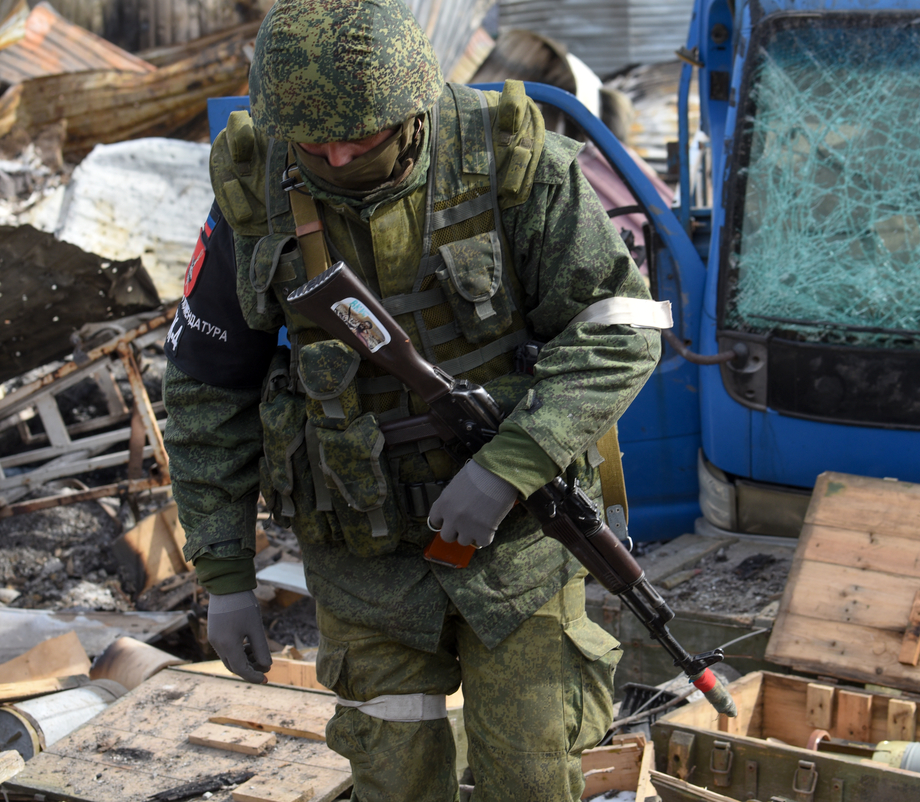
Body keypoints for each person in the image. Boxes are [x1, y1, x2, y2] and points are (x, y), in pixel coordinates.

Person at [162, 0, 666, 798]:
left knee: (532, 777)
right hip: (364, 566)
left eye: (361, 139)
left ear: (413, 109)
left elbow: (621, 329)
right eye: (314, 143)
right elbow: (206, 392)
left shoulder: (512, 161)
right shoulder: (253, 194)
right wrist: (224, 574)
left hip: (518, 553)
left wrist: (509, 465)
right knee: (395, 781)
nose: (335, 155)